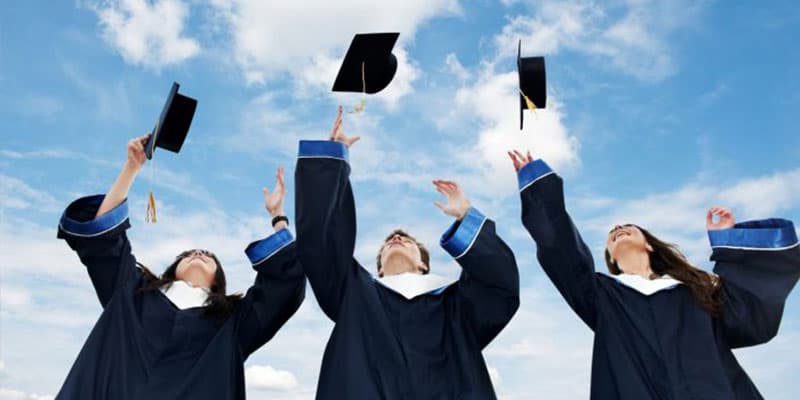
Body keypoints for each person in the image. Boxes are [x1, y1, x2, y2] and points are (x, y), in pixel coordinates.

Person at [508, 149, 800, 400]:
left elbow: (750, 317)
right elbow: (561, 249)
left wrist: (728, 243)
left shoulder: (694, 291)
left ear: (648, 243)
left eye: (628, 227)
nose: (618, 228)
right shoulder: (601, 296)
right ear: (609, 255)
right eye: (612, 234)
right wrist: (539, 189)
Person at [55, 134, 305, 400]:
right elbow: (103, 241)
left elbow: (285, 281)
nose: (198, 253)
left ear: (218, 280)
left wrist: (278, 217)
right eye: (189, 254)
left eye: (208, 255)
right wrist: (132, 168)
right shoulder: (132, 293)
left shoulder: (233, 324)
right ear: (172, 270)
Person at [294, 107, 520, 399]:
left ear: (423, 266)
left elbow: (499, 284)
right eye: (387, 242)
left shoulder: (456, 306)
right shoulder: (353, 295)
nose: (396, 238)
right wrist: (334, 163)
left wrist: (466, 215)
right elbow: (322, 240)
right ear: (378, 270)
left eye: (407, 240)